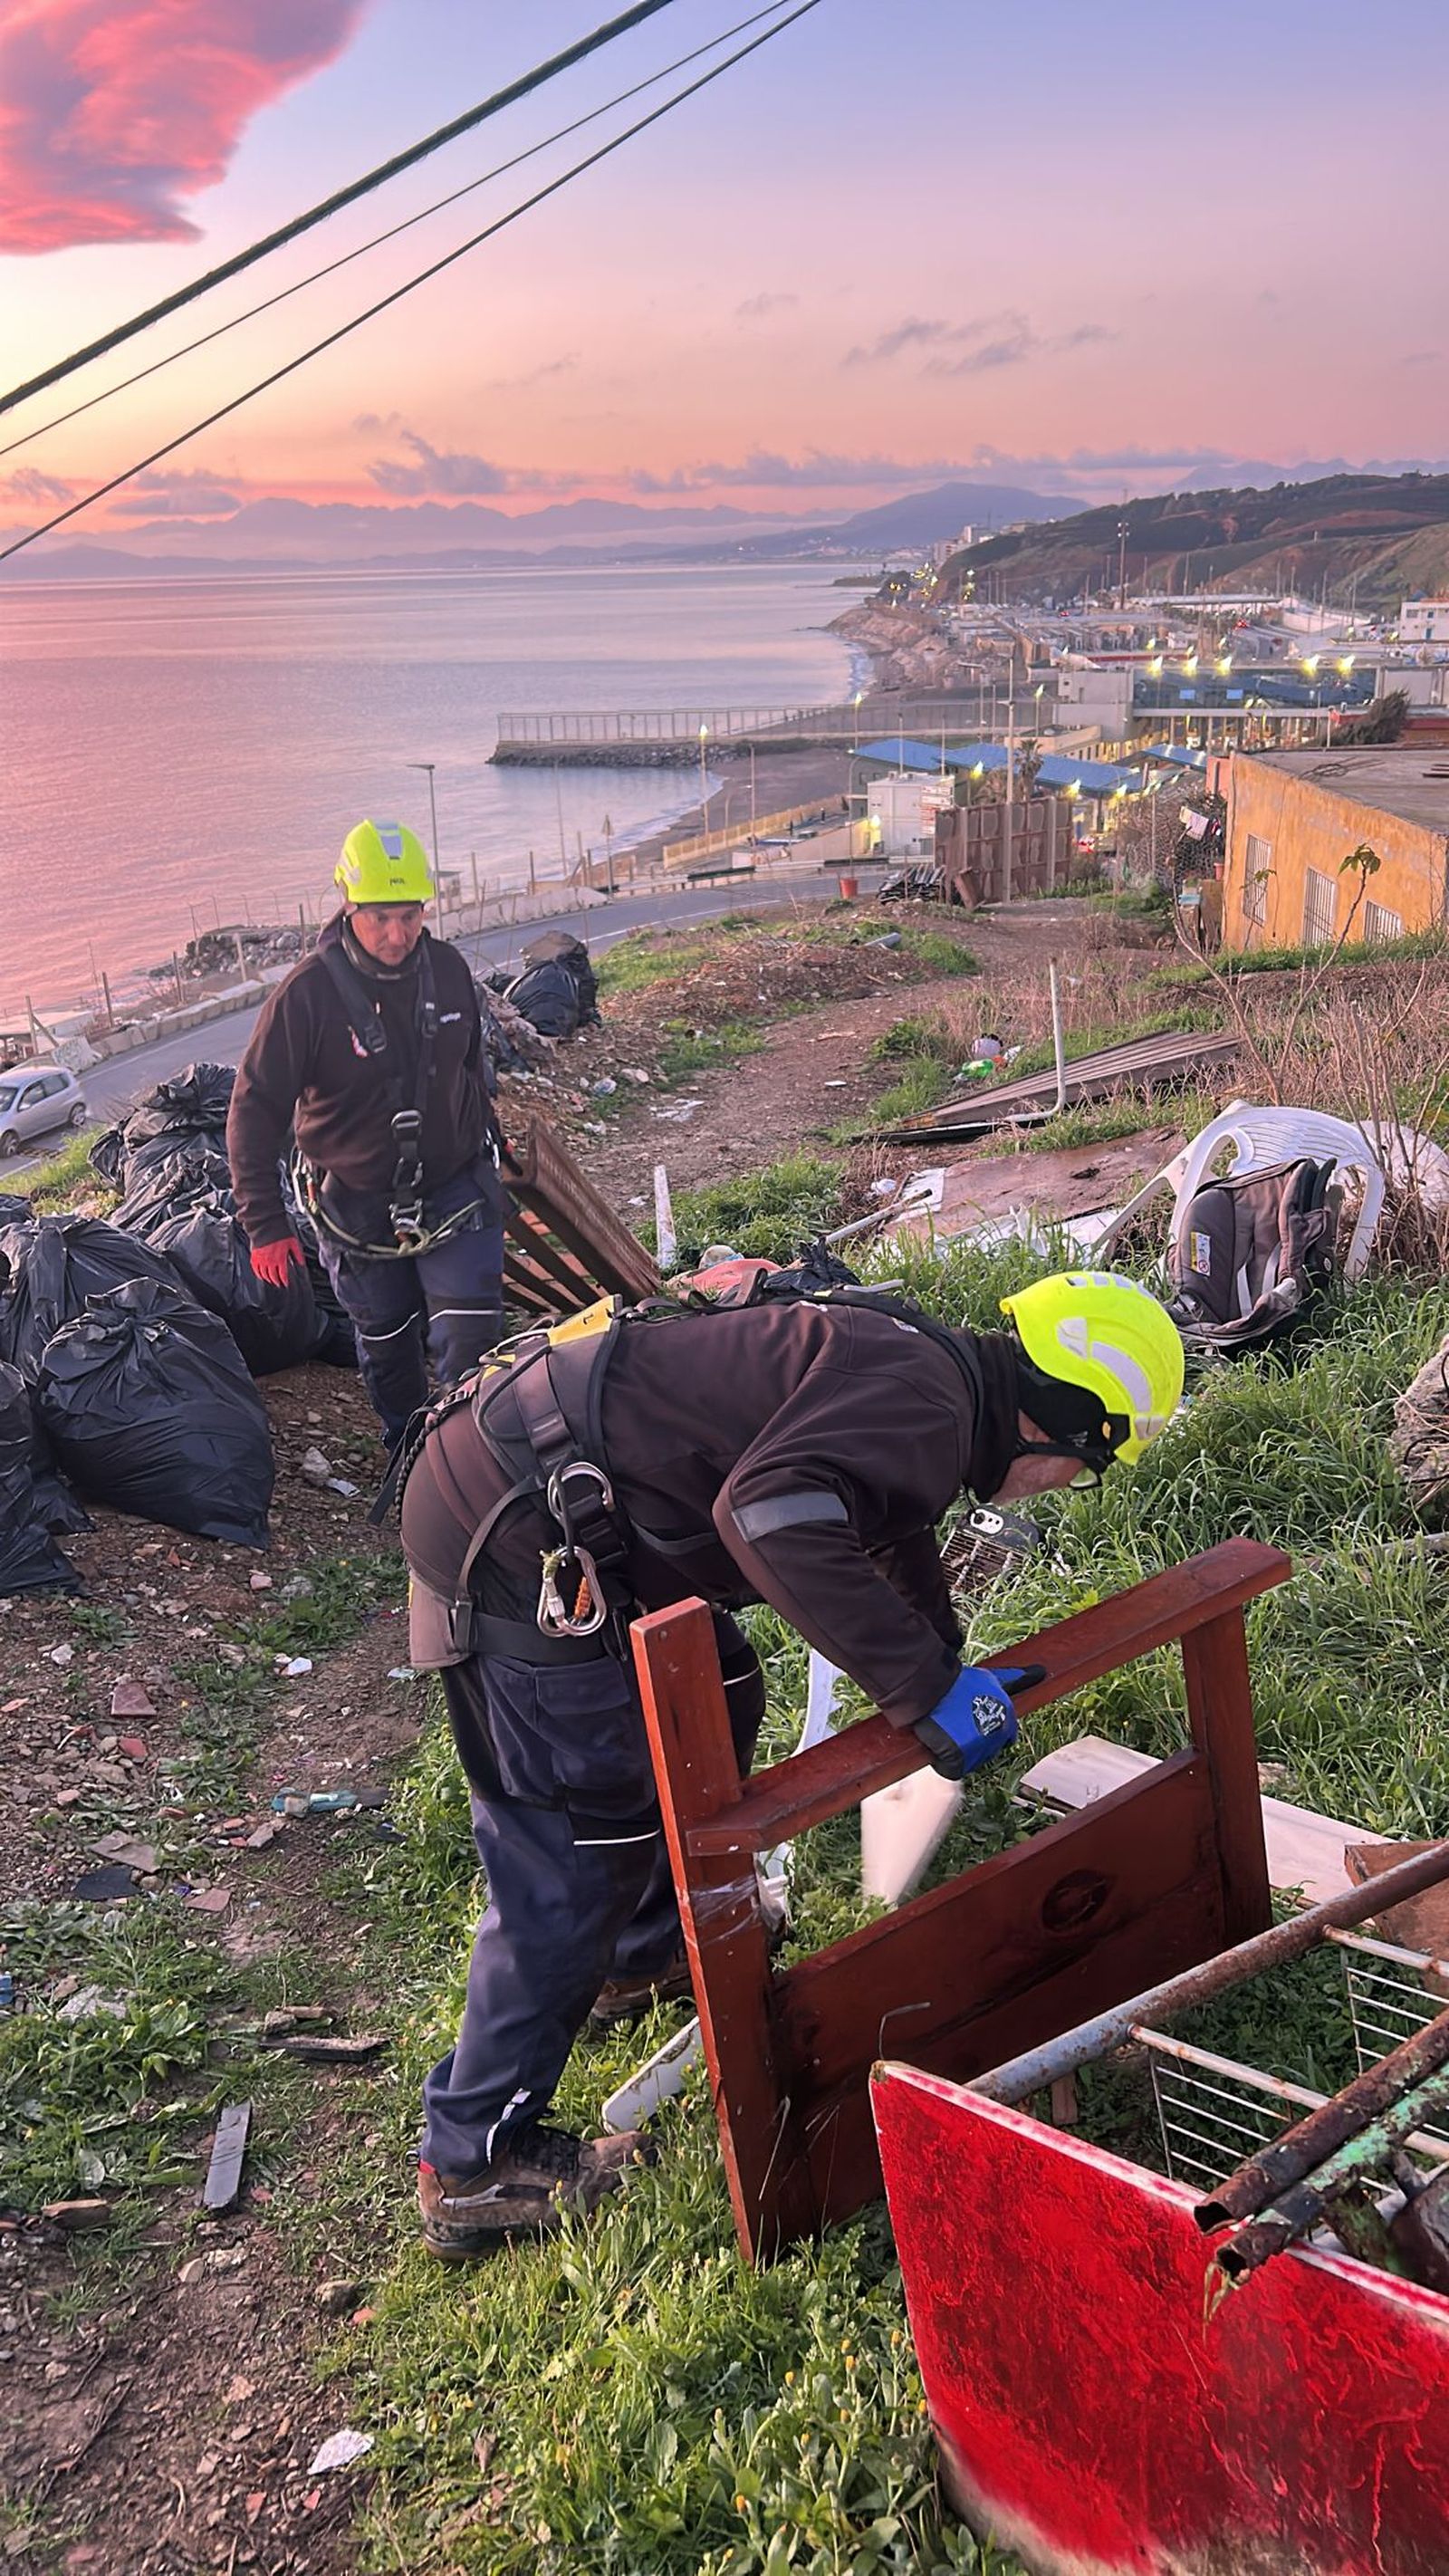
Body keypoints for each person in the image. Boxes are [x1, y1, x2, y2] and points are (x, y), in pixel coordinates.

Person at [396, 1267, 1185, 2259]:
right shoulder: (930, 1407)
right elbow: (770, 1515)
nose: (1070, 1487)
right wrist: (915, 1686)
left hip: (540, 1488)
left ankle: (638, 1961)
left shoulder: (934, 1381)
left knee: (718, 1689)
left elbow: (882, 1513)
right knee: (579, 1840)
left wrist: (938, 1663)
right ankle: (473, 2163)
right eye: (1088, 1466)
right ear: (1064, 1421)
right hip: (510, 1530)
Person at [226, 820, 507, 1446]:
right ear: (349, 905)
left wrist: (492, 1140)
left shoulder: (449, 971)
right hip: (354, 1205)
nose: (396, 934)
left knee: (469, 1330)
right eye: (380, 917)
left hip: (456, 1188)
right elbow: (254, 1110)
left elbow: (470, 1071)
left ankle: (472, 1458)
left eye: (409, 916)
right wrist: (266, 1227)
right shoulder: (306, 997)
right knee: (386, 1345)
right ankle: (410, 1454)